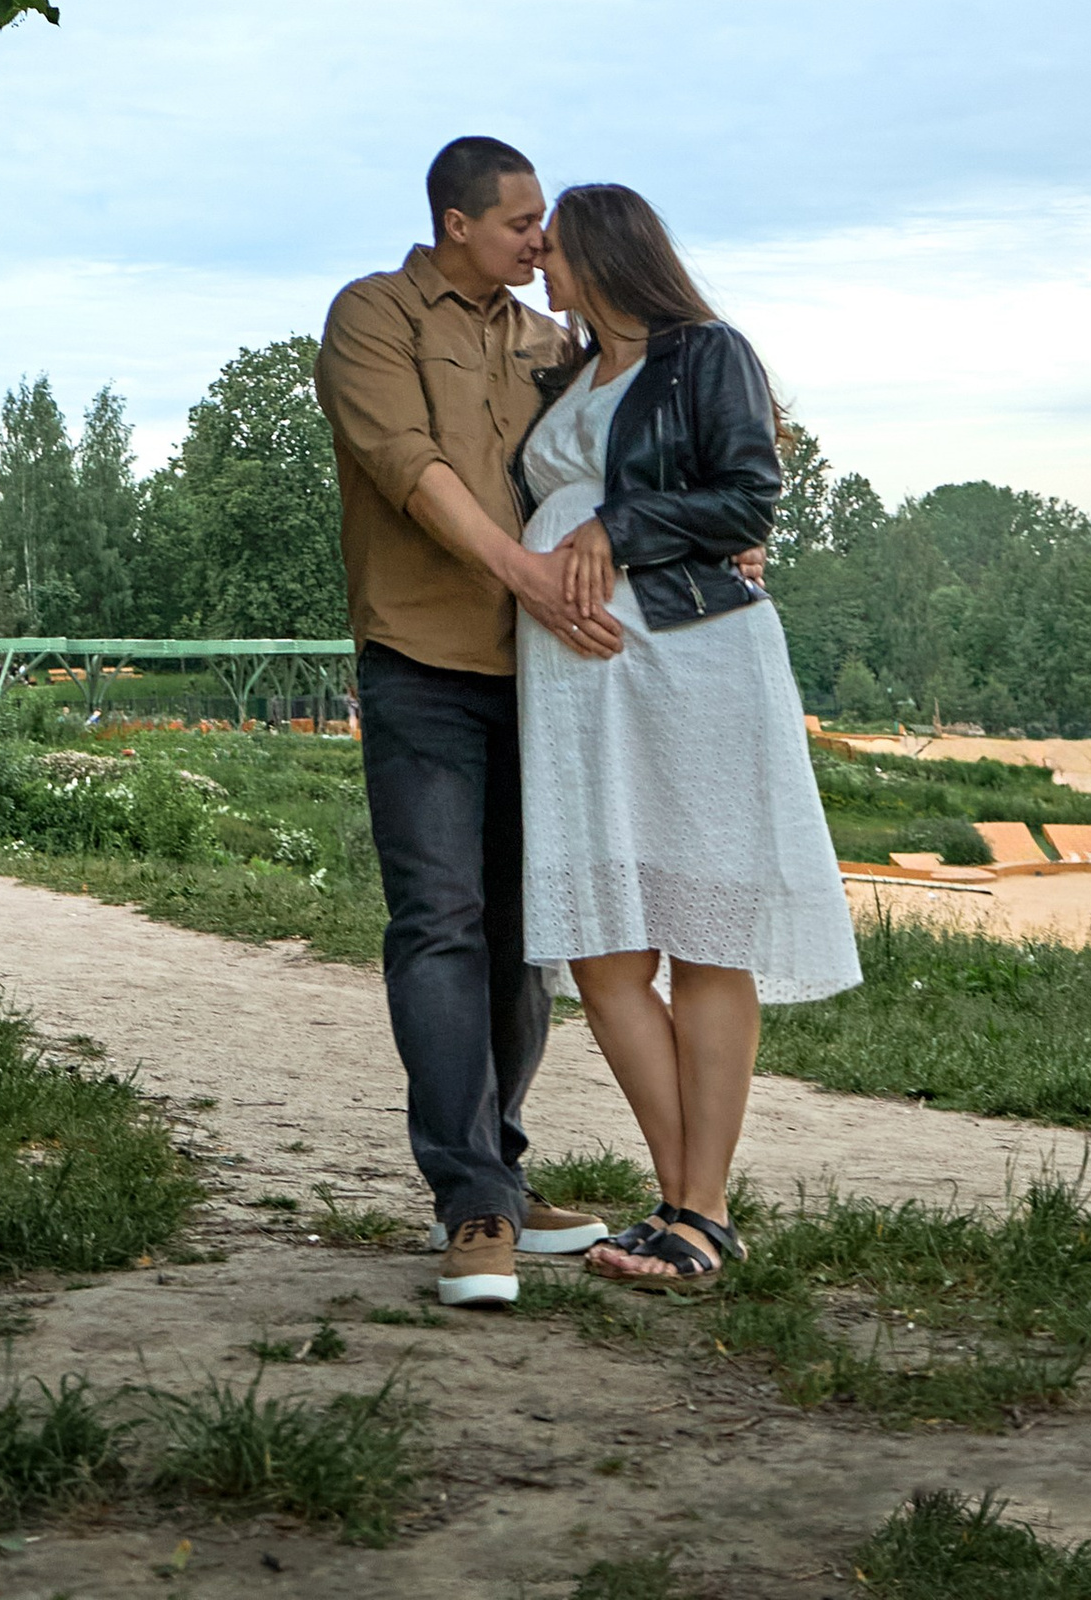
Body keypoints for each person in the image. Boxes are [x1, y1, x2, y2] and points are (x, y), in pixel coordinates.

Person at [514, 181, 860, 1294]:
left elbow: (747, 499)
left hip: (695, 660)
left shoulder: (706, 351)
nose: (542, 267)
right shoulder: (566, 372)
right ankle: (682, 1204)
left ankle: (697, 1212)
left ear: (608, 253)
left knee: (706, 931)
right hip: (575, 676)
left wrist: (618, 525)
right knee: (602, 945)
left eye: (556, 249)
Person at [315, 137, 623, 1310]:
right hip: (423, 659)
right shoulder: (374, 317)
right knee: (439, 921)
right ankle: (472, 1206)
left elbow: (620, 446)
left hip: (546, 677)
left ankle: (499, 1161)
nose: (541, 240)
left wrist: (713, 519)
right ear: (457, 222)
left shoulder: (550, 341)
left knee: (518, 932)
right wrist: (520, 572)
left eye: (543, 222)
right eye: (520, 222)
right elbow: (410, 464)